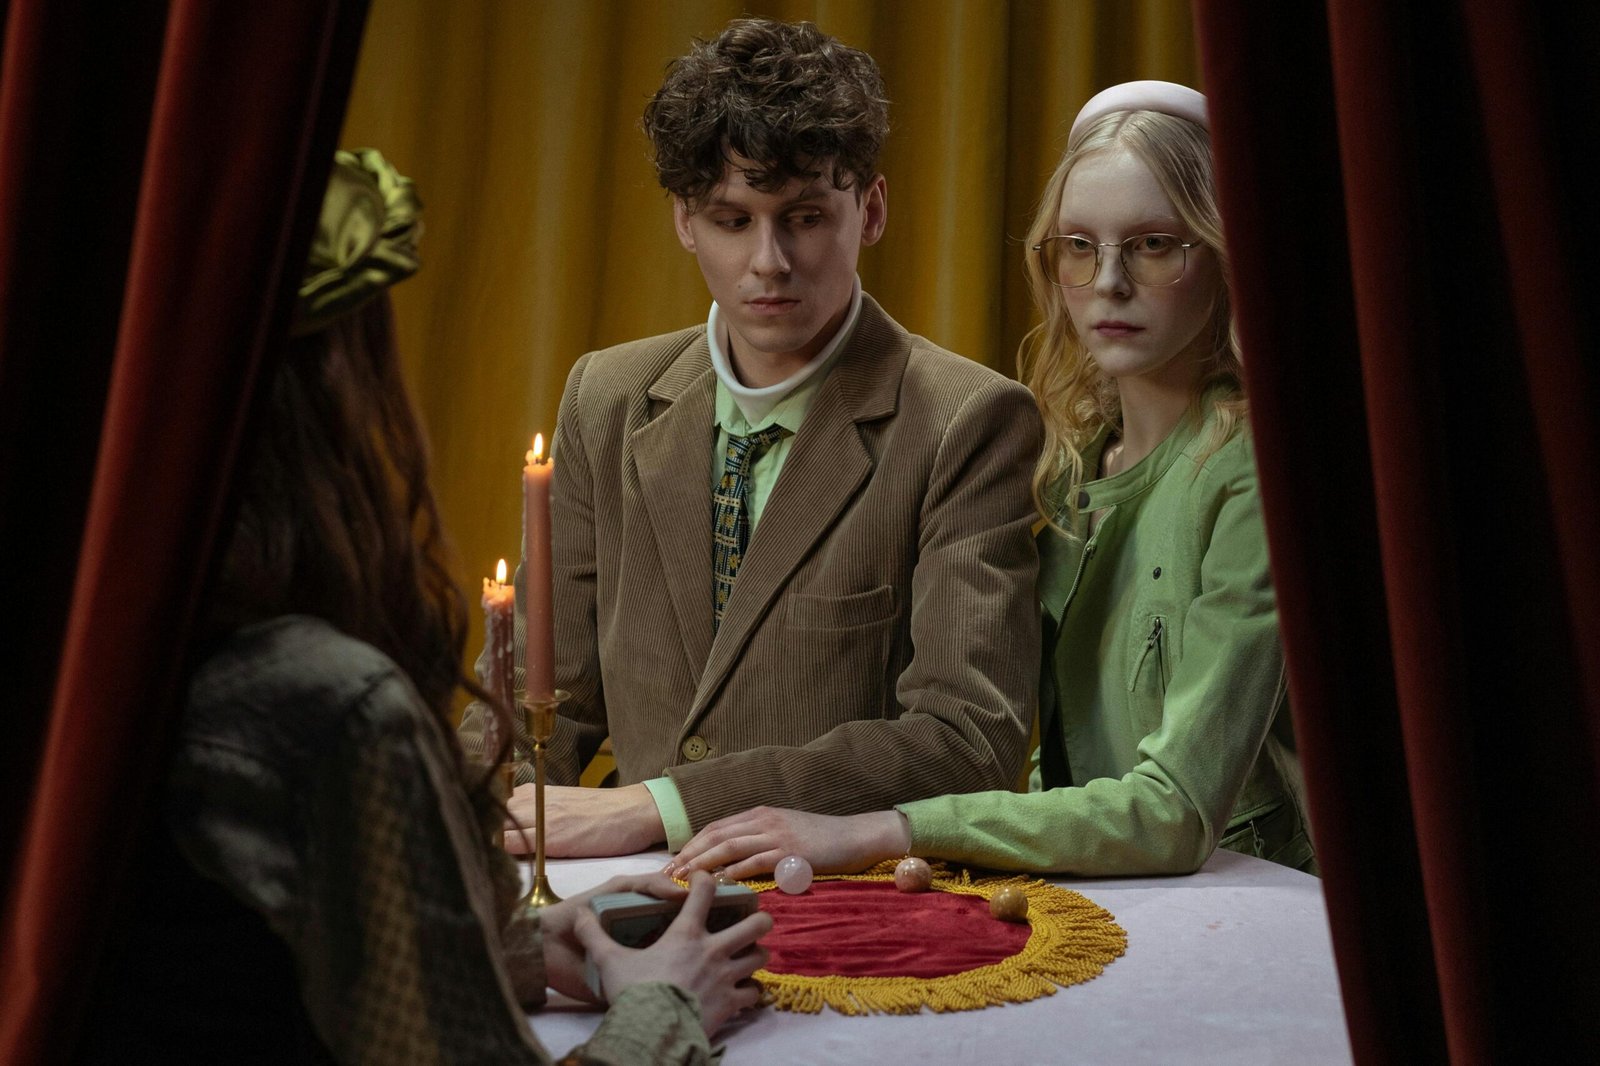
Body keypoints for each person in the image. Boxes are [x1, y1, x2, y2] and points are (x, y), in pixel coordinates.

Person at [79, 150, 769, 1065]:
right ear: (338, 389)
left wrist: (510, 949)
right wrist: (663, 1008)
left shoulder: (97, 647)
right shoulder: (333, 710)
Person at [666, 82, 1317, 880]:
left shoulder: (1255, 473)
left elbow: (1173, 812)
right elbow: (1071, 760)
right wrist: (956, 853)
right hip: (1114, 902)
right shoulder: (1072, 460)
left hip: (1251, 914)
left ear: (1223, 252)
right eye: (1080, 246)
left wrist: (894, 829)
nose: (1109, 283)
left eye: (1154, 244)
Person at [467, 18, 1042, 859]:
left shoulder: (968, 419)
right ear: (683, 222)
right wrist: (438, 806)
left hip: (854, 905)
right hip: (637, 899)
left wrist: (661, 805)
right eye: (732, 220)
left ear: (870, 210)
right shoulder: (608, 396)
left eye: (803, 216)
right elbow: (546, 703)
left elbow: (967, 740)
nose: (768, 260)